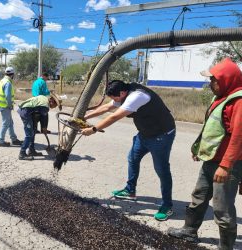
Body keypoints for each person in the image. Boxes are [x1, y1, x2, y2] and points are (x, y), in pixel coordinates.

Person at [168, 58, 242, 249]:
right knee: (199, 196)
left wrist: (225, 166)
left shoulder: (239, 101)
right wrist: (200, 149)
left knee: (222, 208)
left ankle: (226, 247)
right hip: (212, 160)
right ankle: (189, 231)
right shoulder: (221, 97)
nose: (210, 84)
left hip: (228, 165)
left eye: (213, 80)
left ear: (226, 79)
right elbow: (213, 128)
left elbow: (238, 138)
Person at [81, 80, 176, 221]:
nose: (114, 101)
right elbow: (107, 107)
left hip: (161, 136)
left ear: (123, 93)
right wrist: (84, 117)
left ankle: (167, 205)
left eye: (115, 98)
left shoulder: (137, 96)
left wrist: (94, 129)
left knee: (161, 170)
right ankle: (130, 190)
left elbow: (114, 116)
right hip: (144, 134)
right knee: (132, 158)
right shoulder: (123, 93)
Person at [17, 93, 61, 160]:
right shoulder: (45, 106)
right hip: (25, 113)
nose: (55, 107)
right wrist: (44, 128)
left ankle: (31, 151)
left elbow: (39, 114)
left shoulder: (44, 98)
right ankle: (22, 154)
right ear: (52, 101)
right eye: (55, 105)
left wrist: (43, 127)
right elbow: (43, 117)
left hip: (27, 113)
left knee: (33, 131)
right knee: (29, 135)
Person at [0, 67, 22, 147]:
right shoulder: (8, 83)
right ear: (12, 74)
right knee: (6, 123)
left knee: (10, 123)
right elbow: (8, 96)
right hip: (5, 106)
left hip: (1, 105)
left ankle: (14, 139)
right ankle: (1, 141)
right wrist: (10, 105)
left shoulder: (2, 80)